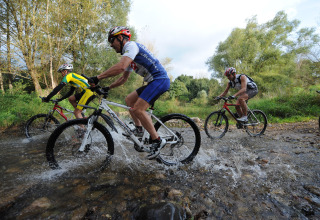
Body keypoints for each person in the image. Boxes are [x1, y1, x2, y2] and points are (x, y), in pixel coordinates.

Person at [89, 26, 170, 159]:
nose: (111, 45)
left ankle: (157, 141)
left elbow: (120, 67)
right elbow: (123, 79)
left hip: (160, 80)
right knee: (129, 100)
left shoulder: (131, 46)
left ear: (120, 38)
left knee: (138, 109)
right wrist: (108, 87)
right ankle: (139, 129)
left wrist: (97, 78)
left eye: (112, 41)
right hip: (153, 81)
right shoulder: (129, 57)